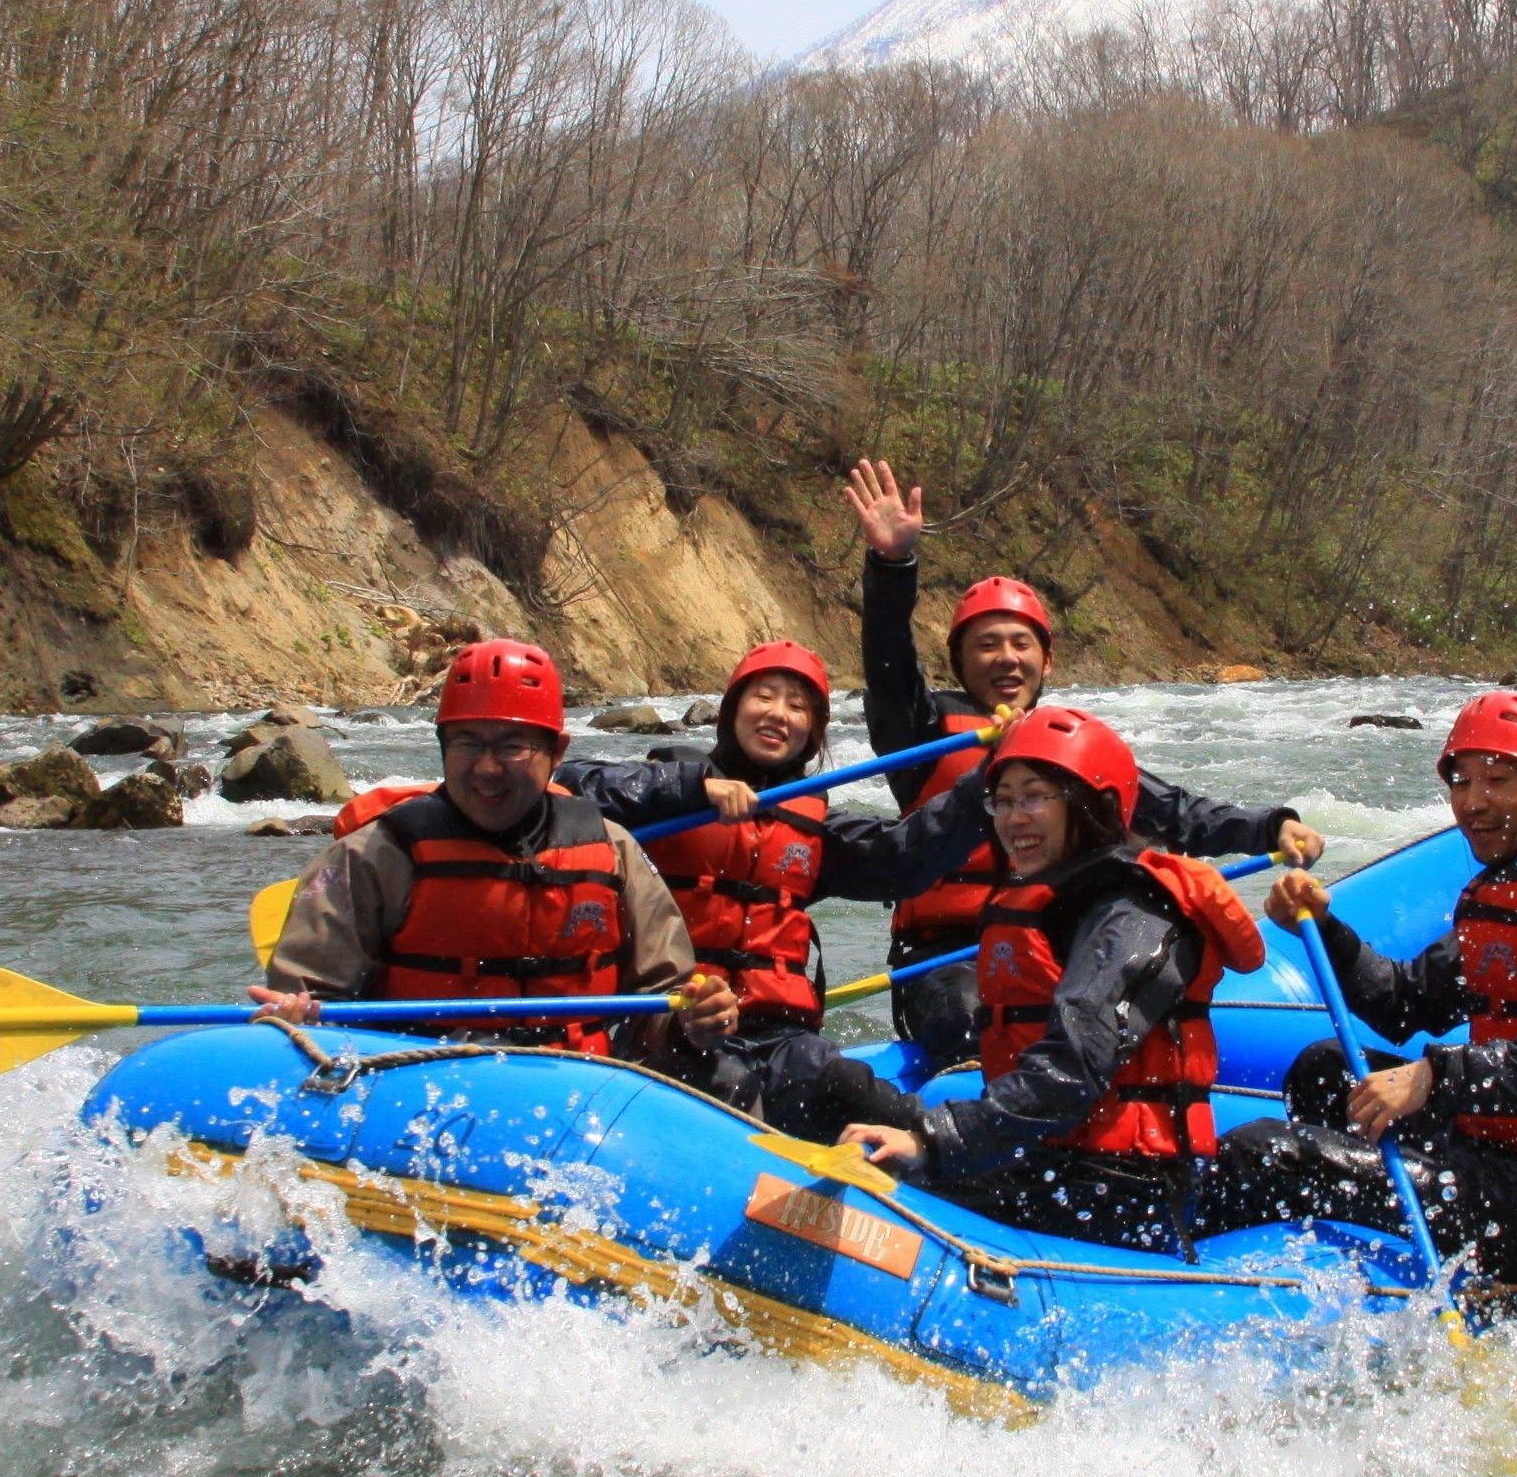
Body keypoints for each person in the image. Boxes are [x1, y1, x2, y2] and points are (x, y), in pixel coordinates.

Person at [1198, 691, 1517, 1286]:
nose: (1473, 803)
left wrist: (1432, 1077)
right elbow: (1403, 1004)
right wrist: (1325, 928)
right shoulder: (1505, 890)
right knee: (1324, 1071)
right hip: (1483, 1148)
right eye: (1462, 782)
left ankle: (1177, 1275)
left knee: (1266, 1153)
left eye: (1498, 781)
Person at [842, 456, 1321, 1072]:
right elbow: (886, 660)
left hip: (1060, 935)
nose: (1006, 658)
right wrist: (891, 566)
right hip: (948, 957)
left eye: (1022, 644)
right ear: (960, 661)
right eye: (986, 645)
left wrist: (1270, 826)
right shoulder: (922, 730)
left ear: (1048, 659)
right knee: (975, 1025)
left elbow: (1169, 809)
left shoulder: (1069, 745)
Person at [836, 706, 1265, 1255]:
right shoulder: (1065, 895)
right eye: (1004, 801)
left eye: (1035, 796)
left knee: (885, 1189)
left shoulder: (1133, 911)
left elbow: (1074, 1064)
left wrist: (932, 1139)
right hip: (1056, 1157)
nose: (1015, 817)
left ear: (1091, 804)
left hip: (1123, 1186)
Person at [551, 638, 993, 1138]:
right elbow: (569, 783)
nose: (779, 714)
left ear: (813, 733)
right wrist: (691, 787)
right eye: (764, 696)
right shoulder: (666, 785)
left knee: (845, 1083)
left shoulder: (811, 821)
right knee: (731, 1086)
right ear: (732, 709)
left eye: (797, 706)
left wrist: (990, 782)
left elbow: (907, 856)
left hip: (780, 1037)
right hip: (675, 1026)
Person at [251, 639, 741, 1058]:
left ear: (558, 752)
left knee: (726, 1076)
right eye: (467, 743)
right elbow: (305, 1005)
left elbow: (663, 998)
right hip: (418, 1085)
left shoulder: (612, 851)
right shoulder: (378, 854)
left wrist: (693, 1020)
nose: (486, 768)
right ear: (442, 746)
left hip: (580, 1085)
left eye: (512, 746)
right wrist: (295, 1023)